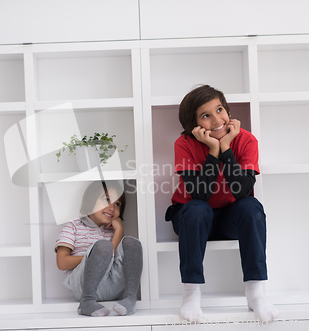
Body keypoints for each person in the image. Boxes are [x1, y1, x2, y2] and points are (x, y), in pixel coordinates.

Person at [165, 85, 278, 323]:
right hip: (191, 218)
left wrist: (226, 147)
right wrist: (213, 151)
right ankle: (191, 293)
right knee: (198, 209)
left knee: (251, 206)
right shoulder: (184, 144)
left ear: (227, 110)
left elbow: (242, 191)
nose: (217, 120)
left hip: (229, 217)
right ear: (193, 125)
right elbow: (199, 195)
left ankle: (255, 292)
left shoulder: (245, 140)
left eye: (219, 110)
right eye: (205, 116)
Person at [55, 180, 143, 317]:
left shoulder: (113, 231)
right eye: (106, 199)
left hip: (111, 286)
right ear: (90, 201)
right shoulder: (73, 226)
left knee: (132, 243)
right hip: (83, 286)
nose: (112, 208)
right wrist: (93, 258)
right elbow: (62, 262)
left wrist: (119, 230)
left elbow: (113, 259)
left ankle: (130, 299)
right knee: (103, 246)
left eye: (117, 204)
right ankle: (87, 301)